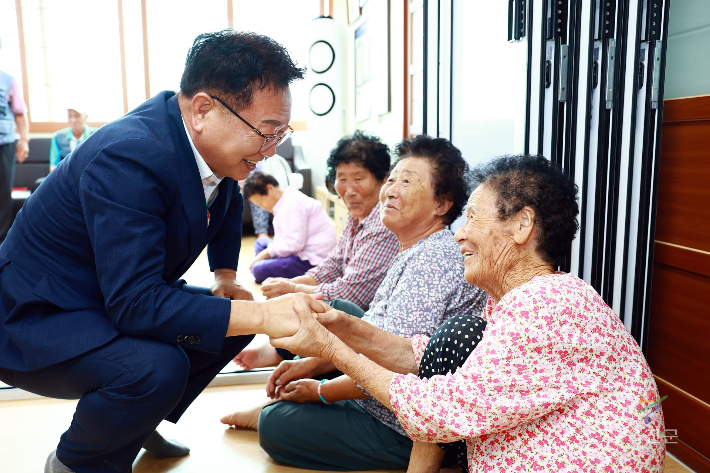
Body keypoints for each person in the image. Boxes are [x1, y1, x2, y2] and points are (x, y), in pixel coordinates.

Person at [0, 30, 315, 473]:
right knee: (157, 367)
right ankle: (77, 461)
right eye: (265, 133)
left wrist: (225, 275)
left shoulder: (211, 151)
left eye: (280, 134)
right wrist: (268, 315)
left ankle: (134, 417)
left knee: (230, 317)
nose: (269, 150)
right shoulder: (129, 156)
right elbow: (135, 304)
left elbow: (225, 206)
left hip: (106, 296)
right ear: (204, 108)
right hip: (39, 313)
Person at [272, 154, 666, 473]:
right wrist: (342, 327)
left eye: (474, 216)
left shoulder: (547, 309)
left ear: (522, 225)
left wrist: (331, 349)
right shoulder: (536, 297)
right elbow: (422, 359)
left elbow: (437, 410)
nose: (460, 233)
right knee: (454, 333)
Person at [221, 136, 489, 471]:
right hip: (386, 386)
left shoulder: (432, 259)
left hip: (403, 420)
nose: (390, 190)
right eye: (392, 179)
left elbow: (396, 364)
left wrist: (321, 391)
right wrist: (312, 365)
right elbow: (377, 327)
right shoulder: (416, 246)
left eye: (407, 181)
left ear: (441, 204)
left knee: (276, 426)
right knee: (342, 311)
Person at [234, 131, 399, 370]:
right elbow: (333, 263)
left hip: (370, 322)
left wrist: (294, 288)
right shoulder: (357, 218)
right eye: (342, 179)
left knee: (322, 303)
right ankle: (286, 350)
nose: (349, 189)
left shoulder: (382, 224)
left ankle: (285, 352)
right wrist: (297, 283)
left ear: (382, 180)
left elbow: (352, 293)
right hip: (316, 270)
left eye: (359, 179)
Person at [244, 171, 336, 283]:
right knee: (260, 242)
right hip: (298, 251)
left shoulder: (292, 204)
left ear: (270, 188)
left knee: (258, 270)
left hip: (311, 260)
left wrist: (266, 253)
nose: (262, 207)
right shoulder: (285, 200)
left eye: (260, 202)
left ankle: (271, 263)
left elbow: (295, 244)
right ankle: (273, 262)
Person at [0, 35, 30, 243]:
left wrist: (25, 140)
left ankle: (2, 240)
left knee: (2, 193)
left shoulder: (7, 80)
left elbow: (19, 114)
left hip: (4, 144)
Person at [49, 105, 96, 171]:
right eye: (70, 116)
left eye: (77, 116)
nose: (73, 120)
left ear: (85, 117)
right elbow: (54, 165)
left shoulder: (95, 135)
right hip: (65, 176)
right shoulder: (58, 137)